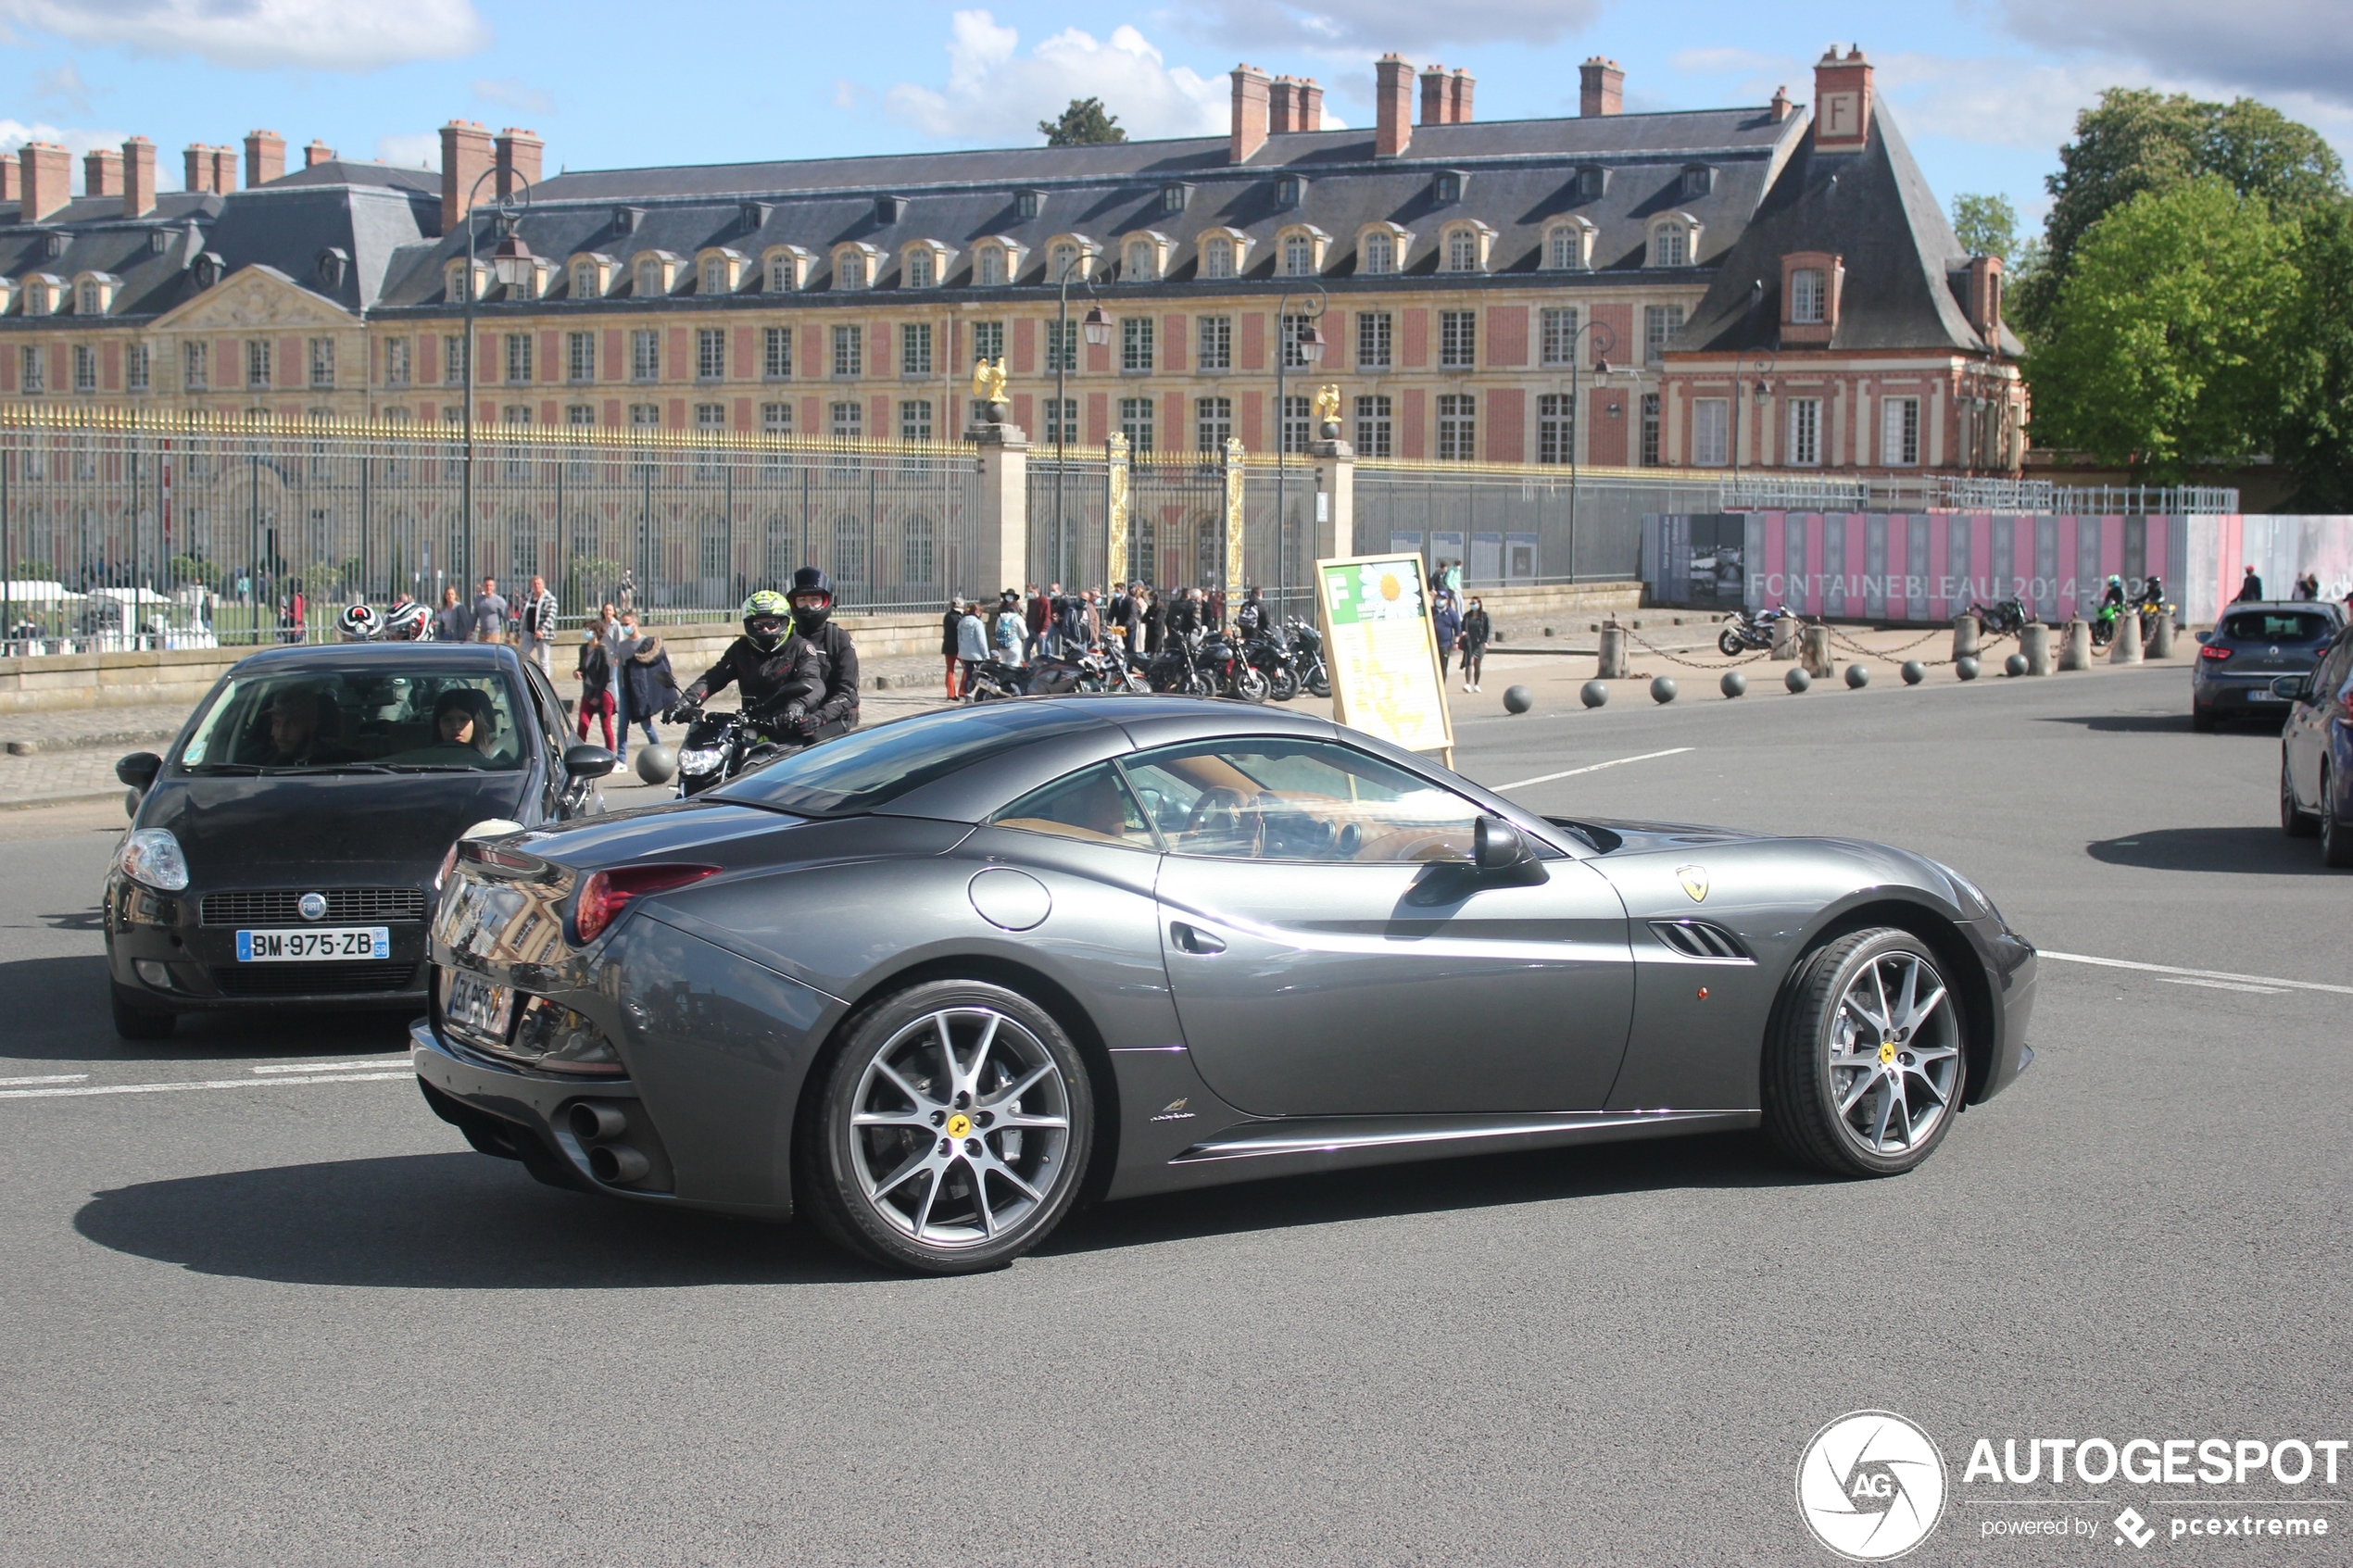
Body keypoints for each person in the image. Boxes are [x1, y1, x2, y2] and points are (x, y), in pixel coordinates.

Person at [619, 622, 679, 758]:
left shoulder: (649, 645)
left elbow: (661, 669)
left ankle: (659, 751)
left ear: (635, 624)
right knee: (622, 726)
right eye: (622, 624)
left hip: (640, 693)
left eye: (627, 623)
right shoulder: (622, 646)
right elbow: (620, 671)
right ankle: (621, 758)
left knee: (647, 727)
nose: (624, 626)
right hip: (625, 690)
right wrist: (619, 689)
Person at [575, 627, 615, 749]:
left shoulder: (603, 650)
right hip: (588, 691)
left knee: (606, 727)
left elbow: (606, 675)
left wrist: (598, 696)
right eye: (585, 630)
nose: (586, 633)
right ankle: (579, 751)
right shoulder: (583, 649)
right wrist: (577, 672)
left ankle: (610, 754)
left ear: (596, 633)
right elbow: (582, 667)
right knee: (583, 723)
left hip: (604, 693)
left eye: (589, 630)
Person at [518, 574, 558, 674]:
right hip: (528, 632)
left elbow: (550, 617)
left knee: (543, 661)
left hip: (543, 635)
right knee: (521, 656)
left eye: (539, 584)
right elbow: (522, 616)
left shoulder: (549, 599)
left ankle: (545, 682)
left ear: (543, 585)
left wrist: (541, 630)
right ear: (531, 585)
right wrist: (518, 632)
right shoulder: (528, 598)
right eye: (535, 584)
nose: (537, 586)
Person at [955, 597, 989, 692]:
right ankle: (983, 691)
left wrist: (961, 651)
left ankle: (968, 693)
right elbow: (981, 641)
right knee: (983, 673)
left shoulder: (962, 622)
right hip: (977, 654)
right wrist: (986, 655)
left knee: (968, 673)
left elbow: (959, 639)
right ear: (977, 612)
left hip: (965, 653)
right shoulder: (978, 623)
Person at [1459, 596, 1491, 693]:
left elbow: (1488, 630)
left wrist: (1487, 641)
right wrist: (1463, 633)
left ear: (1479, 604)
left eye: (1474, 603)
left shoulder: (1484, 616)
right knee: (1469, 662)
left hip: (1480, 643)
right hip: (1469, 642)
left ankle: (1476, 684)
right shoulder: (1467, 616)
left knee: (1477, 664)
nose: (1473, 605)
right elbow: (1462, 627)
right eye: (1471, 603)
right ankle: (1467, 684)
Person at [1433, 591, 1463, 682]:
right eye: (1438, 598)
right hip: (1431, 644)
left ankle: (1442, 686)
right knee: (1433, 666)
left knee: (1443, 667)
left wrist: (1456, 642)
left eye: (1442, 598)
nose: (1440, 600)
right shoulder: (1431, 611)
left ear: (1447, 600)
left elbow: (1458, 629)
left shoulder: (1451, 613)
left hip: (1444, 645)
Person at [940, 598, 966, 698]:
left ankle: (951, 693)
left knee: (950, 670)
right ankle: (962, 691)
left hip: (948, 646)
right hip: (958, 647)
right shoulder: (959, 618)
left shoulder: (947, 616)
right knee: (967, 669)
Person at [992, 591, 1026, 665]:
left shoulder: (1000, 618)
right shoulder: (1018, 618)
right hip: (1015, 645)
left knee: (1004, 666)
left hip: (1002, 646)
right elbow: (1024, 635)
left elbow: (996, 631)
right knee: (1014, 666)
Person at [472, 576, 508, 643]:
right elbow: (474, 617)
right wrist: (470, 631)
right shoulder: (478, 600)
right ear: (483, 587)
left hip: (494, 633)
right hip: (482, 633)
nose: (488, 587)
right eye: (486, 585)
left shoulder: (499, 601)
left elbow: (505, 618)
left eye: (490, 586)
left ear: (494, 587)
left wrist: (507, 634)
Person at [1024, 583, 1049, 662]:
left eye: (1031, 591)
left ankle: (1041, 668)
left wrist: (1044, 630)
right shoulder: (1031, 601)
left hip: (1039, 630)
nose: (1029, 593)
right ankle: (1030, 666)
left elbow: (1047, 615)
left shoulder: (1044, 600)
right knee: (1025, 652)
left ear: (1036, 590)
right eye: (1028, 591)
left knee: (1041, 653)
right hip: (1030, 629)